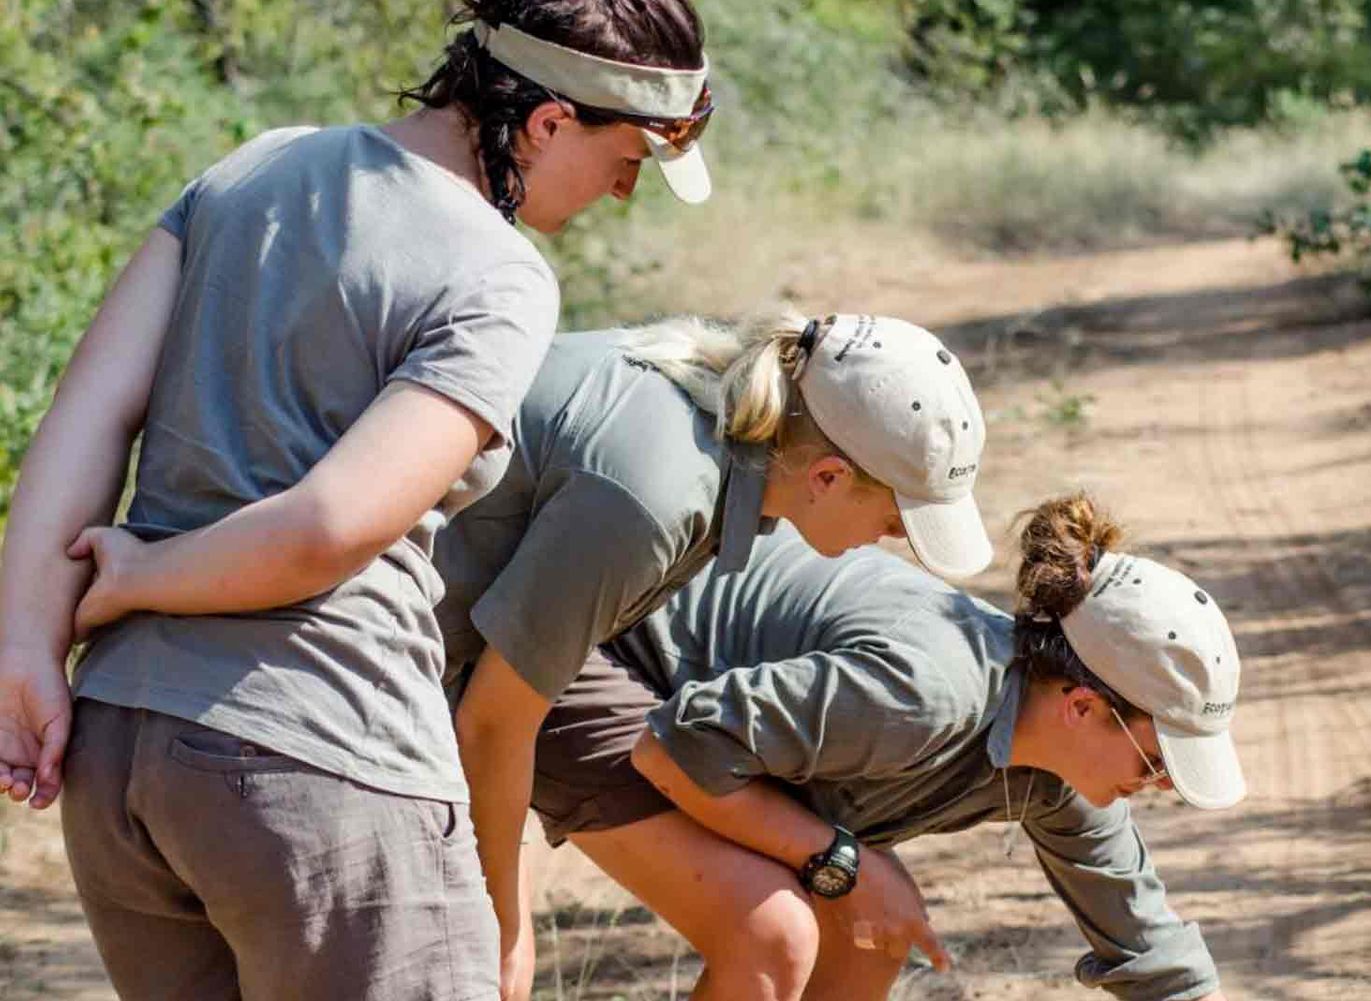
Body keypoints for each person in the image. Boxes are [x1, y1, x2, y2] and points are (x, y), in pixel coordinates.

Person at [0, 2, 711, 997]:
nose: (622, 191)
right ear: (549, 122)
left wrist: (27, 643)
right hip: (324, 753)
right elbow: (329, 527)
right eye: (627, 160)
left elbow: (86, 413)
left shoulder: (253, 169)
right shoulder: (499, 273)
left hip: (121, 755)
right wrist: (135, 577)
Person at [439, 310, 994, 993]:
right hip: (375, 655)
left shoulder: (721, 453)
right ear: (827, 477)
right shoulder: (658, 495)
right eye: (893, 517)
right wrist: (500, 925)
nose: (895, 540)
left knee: (776, 925)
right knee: (486, 969)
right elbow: (493, 722)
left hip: (477, 660)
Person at [529, 493, 1243, 1000]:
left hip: (702, 721)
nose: (1163, 786)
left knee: (870, 933)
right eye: (1157, 760)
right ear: (1082, 705)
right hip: (593, 637)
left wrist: (849, 871)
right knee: (773, 930)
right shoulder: (923, 694)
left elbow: (1152, 951)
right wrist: (845, 861)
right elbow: (676, 749)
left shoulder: (1056, 776)